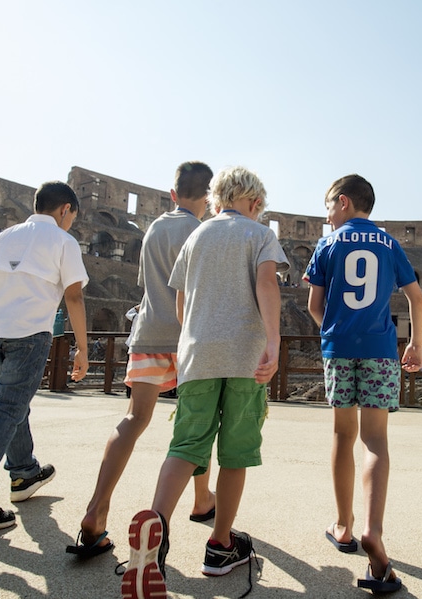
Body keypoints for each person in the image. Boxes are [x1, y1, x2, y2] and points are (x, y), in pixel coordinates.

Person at [121, 166, 288, 598]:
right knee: (235, 453)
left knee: (185, 446)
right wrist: (272, 341)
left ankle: (155, 533)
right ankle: (220, 545)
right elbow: (267, 284)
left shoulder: (196, 235)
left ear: (217, 200)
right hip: (245, 358)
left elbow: (180, 304)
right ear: (254, 203)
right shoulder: (259, 235)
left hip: (196, 356)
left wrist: (199, 333)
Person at [70, 162, 216, 559]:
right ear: (210, 197)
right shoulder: (203, 231)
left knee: (135, 419)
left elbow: (148, 287)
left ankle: (96, 509)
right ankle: (199, 500)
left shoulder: (153, 229)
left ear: (172, 194)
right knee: (196, 425)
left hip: (149, 332)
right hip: (189, 337)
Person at [303, 174, 422, 595]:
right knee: (375, 441)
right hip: (381, 349)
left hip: (339, 348)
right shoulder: (392, 245)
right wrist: (415, 344)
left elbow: (313, 305)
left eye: (327, 210)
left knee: (342, 433)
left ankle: (343, 526)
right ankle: (374, 530)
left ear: (342, 203)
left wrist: (332, 333)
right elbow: (417, 297)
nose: (327, 218)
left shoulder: (328, 244)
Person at [0, 181, 89, 531]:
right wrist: (82, 348)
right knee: (8, 407)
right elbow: (74, 297)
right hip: (30, 334)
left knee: (13, 402)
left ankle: (24, 472)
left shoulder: (5, 236)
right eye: (72, 217)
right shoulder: (63, 240)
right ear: (65, 210)